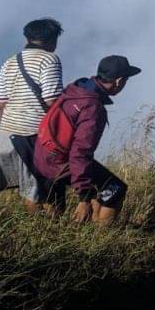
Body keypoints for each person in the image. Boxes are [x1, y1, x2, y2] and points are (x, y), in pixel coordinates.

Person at [32, 55, 140, 225]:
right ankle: (102, 236)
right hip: (60, 163)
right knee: (116, 188)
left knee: (100, 184)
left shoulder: (76, 89)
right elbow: (80, 152)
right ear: (118, 81)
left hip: (42, 156)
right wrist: (83, 197)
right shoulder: (92, 107)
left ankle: (88, 225)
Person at [0, 18, 64, 212]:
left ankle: (37, 233)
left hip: (9, 133)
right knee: (49, 188)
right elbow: (51, 99)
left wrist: (9, 127)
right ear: (53, 40)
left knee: (30, 187)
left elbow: (2, 103)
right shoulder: (49, 59)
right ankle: (49, 233)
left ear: (27, 38)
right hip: (35, 134)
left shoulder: (9, 62)